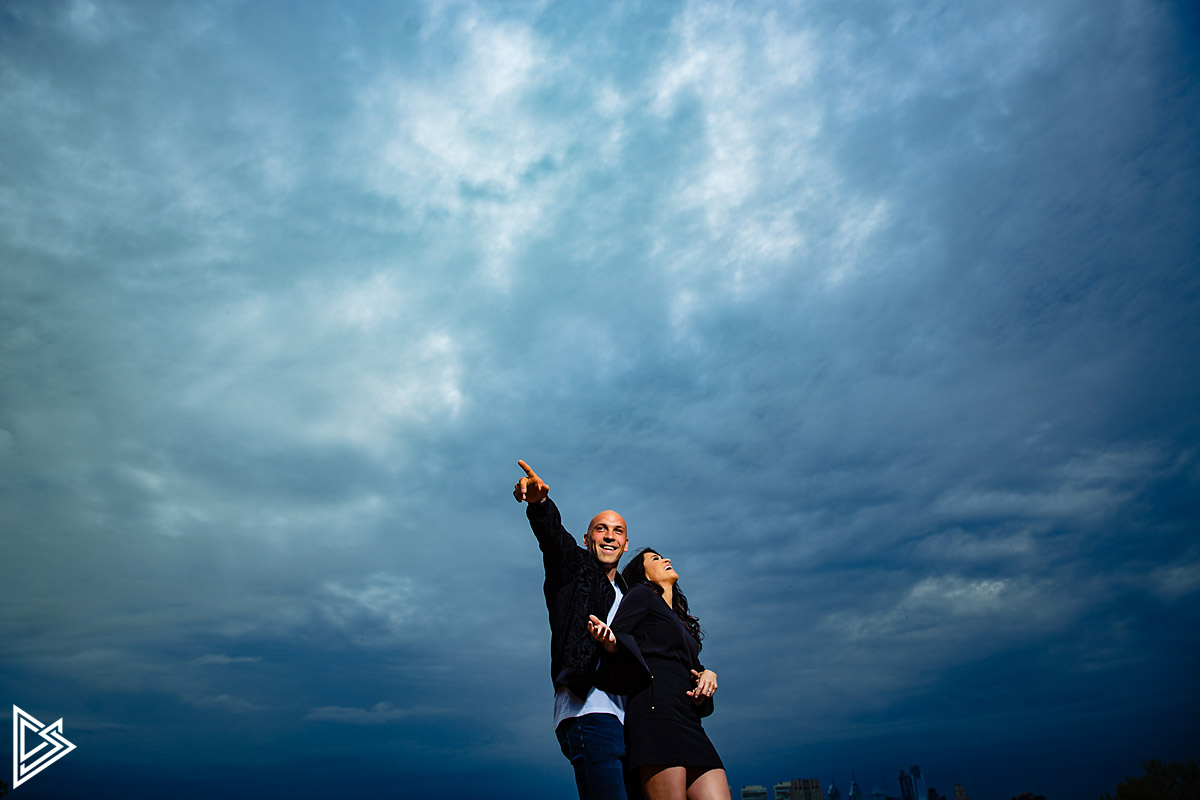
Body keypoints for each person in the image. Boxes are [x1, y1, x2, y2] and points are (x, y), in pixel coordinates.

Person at [513, 460, 632, 800]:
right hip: (589, 712)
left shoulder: (630, 595)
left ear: (625, 544)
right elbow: (553, 539)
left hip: (631, 720)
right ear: (586, 538)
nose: (609, 535)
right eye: (601, 529)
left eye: (618, 531)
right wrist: (539, 505)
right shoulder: (573, 568)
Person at [587, 548, 730, 800]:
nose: (666, 560)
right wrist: (609, 640)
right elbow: (618, 635)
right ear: (643, 575)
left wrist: (708, 675)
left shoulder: (678, 619)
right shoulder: (641, 594)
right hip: (656, 713)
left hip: (688, 719)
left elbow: (690, 665)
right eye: (655, 559)